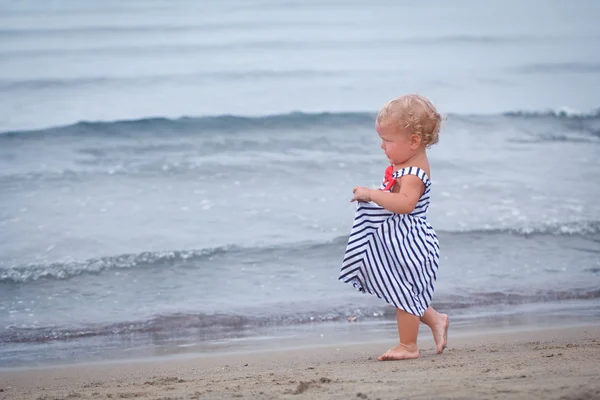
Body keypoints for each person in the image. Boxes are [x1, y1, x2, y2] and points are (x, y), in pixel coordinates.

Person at [339, 94, 449, 360]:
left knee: (404, 293)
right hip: (400, 240)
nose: (382, 146)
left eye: (387, 141)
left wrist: (372, 194)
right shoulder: (405, 164)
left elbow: (405, 204)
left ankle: (409, 345)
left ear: (413, 142)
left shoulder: (413, 173)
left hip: (412, 243)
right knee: (401, 288)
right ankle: (435, 319)